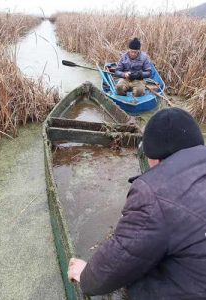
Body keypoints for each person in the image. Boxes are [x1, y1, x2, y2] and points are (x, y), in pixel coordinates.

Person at [68, 107, 206, 300]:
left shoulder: (153, 194)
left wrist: (85, 276)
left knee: (137, 280)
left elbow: (118, 262)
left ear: (154, 159)